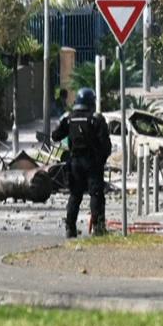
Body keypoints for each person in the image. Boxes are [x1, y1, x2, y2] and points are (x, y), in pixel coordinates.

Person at [51, 88, 111, 238]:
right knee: (96, 195)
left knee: (75, 196)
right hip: (92, 163)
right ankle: (98, 227)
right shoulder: (95, 119)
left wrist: (63, 122)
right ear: (91, 102)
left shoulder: (69, 118)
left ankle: (70, 227)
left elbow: (55, 136)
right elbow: (106, 145)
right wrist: (100, 161)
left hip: (75, 163)